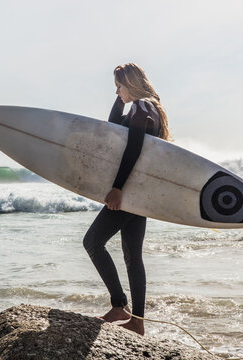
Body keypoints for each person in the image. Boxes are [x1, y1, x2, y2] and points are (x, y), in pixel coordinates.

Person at [83, 63, 170, 336]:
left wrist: (118, 188)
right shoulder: (148, 107)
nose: (116, 92)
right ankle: (137, 321)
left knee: (93, 242)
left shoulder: (141, 107)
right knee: (133, 255)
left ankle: (120, 305)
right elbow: (112, 127)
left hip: (130, 189)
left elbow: (133, 147)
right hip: (140, 190)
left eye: (119, 86)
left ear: (130, 84)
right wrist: (120, 96)